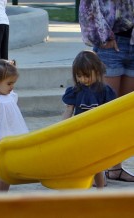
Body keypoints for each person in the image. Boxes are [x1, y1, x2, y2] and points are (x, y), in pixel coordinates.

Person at [79, 0, 134, 182]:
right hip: (111, 43)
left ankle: (115, 168)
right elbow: (89, 6)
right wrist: (101, 37)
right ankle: (96, 169)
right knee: (104, 112)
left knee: (123, 114)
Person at [62, 50, 117, 188]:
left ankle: (99, 180)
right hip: (80, 130)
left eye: (87, 76)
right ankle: (85, 176)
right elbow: (69, 109)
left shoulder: (104, 90)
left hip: (98, 130)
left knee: (97, 158)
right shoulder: (75, 90)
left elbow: (110, 111)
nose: (83, 80)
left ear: (97, 71)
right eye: (79, 76)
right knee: (82, 155)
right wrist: (62, 128)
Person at [0, 59, 29, 191]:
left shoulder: (11, 95)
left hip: (12, 136)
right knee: (1, 169)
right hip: (0, 138)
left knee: (7, 169)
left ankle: (3, 193)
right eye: (9, 83)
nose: (12, 86)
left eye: (13, 83)